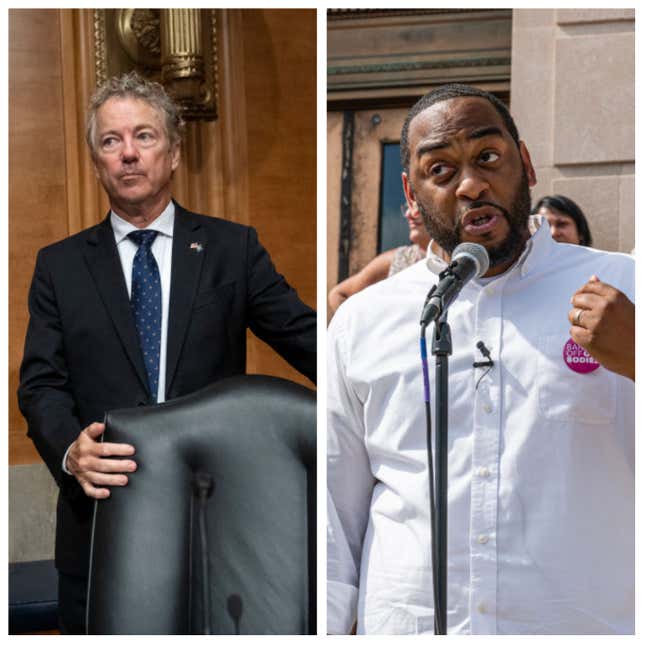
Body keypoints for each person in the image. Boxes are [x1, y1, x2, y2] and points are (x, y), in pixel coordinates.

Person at [327, 83, 634, 635]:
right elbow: (333, 515)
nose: (471, 184)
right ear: (411, 192)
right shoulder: (363, 321)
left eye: (488, 157)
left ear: (527, 164)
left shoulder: (623, 287)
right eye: (440, 171)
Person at [18, 72, 316, 634]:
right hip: (103, 519)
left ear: (174, 152)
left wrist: (378, 382)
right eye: (111, 141)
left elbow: (308, 341)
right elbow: (41, 384)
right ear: (96, 160)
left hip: (219, 521)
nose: (128, 153)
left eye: (144, 136)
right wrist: (69, 453)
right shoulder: (59, 265)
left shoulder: (232, 249)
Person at [328, 205, 429, 315]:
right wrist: (360, 330)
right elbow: (338, 294)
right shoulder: (399, 259)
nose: (409, 214)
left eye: (418, 207)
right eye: (407, 207)